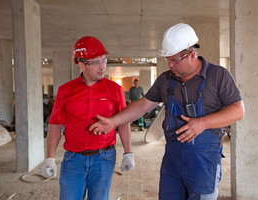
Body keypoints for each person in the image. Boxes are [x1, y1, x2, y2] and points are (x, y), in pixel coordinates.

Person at [89, 23, 245, 200]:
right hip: (172, 158)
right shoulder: (165, 80)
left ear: (192, 55)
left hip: (204, 160)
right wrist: (113, 122)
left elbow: (238, 110)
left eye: (174, 60)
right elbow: (142, 106)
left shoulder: (218, 76)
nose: (170, 65)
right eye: (167, 60)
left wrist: (203, 123)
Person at [41, 36, 135, 200]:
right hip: (73, 159)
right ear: (82, 64)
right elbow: (55, 124)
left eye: (104, 60)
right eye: (96, 62)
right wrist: (49, 158)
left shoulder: (115, 90)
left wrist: (129, 153)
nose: (102, 66)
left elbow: (124, 123)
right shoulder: (66, 91)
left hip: (104, 158)